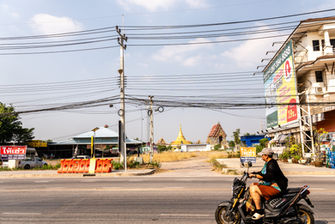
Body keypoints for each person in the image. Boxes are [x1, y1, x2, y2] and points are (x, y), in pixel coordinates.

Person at [248, 148, 288, 220]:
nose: (262, 157)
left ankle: (259, 211)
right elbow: (262, 173)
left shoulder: (272, 164)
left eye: (262, 155)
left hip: (277, 188)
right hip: (271, 185)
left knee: (253, 188)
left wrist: (255, 176)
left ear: (266, 156)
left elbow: (268, 177)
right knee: (253, 184)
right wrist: (253, 173)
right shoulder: (268, 163)